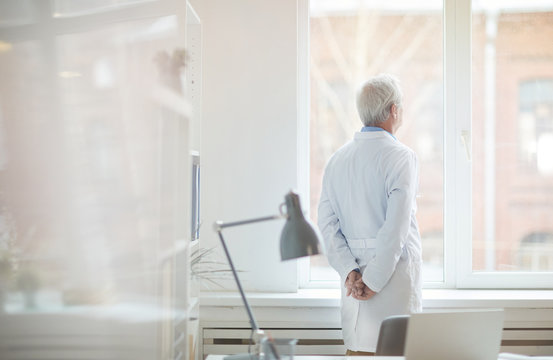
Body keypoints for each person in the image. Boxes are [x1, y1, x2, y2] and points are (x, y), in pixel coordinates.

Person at [317, 74, 422, 356]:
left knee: (358, 353)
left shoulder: (337, 160)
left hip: (354, 292)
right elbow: (395, 229)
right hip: (391, 287)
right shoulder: (401, 157)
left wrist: (350, 272)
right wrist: (372, 282)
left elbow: (327, 225)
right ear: (393, 110)